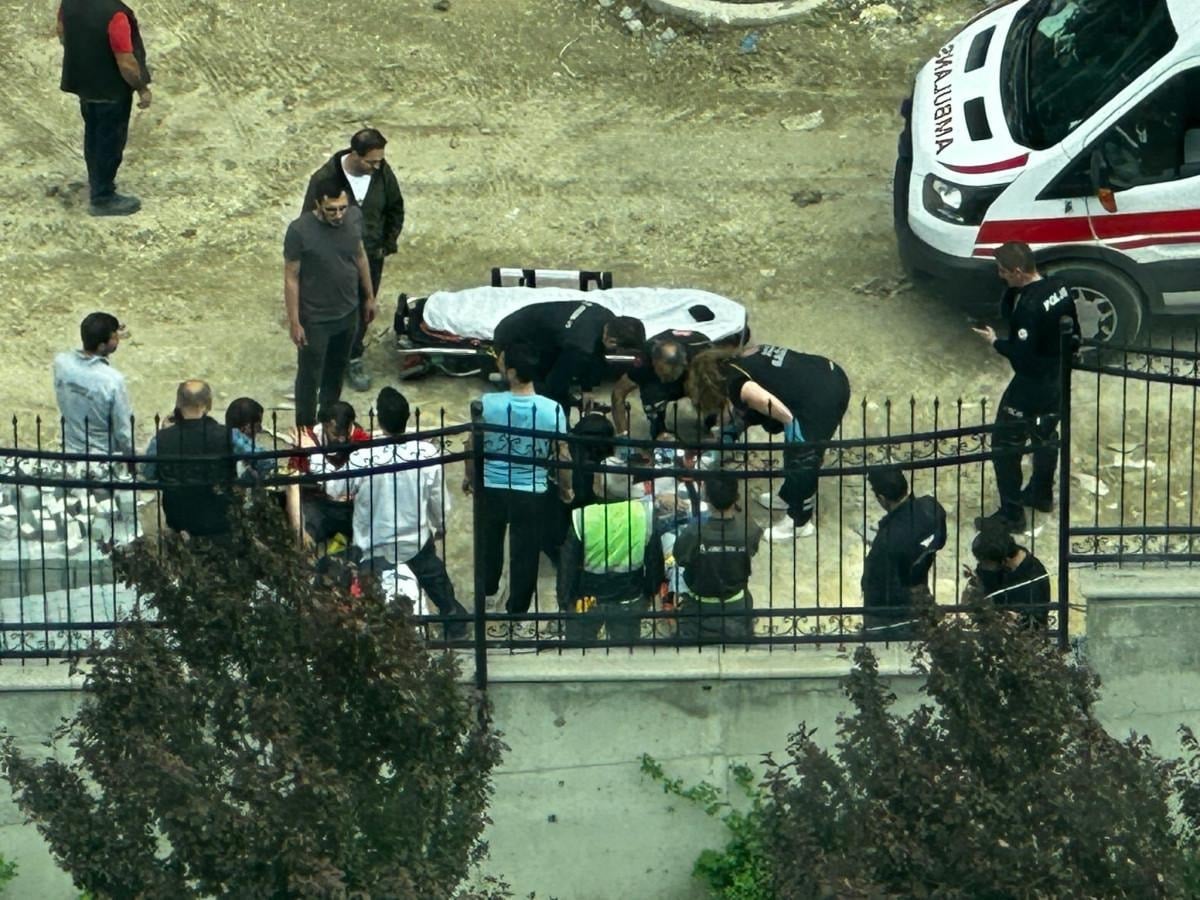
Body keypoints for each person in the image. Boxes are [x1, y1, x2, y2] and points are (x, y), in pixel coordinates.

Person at [688, 345, 851, 542]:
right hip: (823, 372)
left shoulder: (740, 387)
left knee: (803, 459)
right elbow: (747, 413)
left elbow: (784, 415)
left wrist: (799, 446)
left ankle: (799, 521)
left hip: (823, 396)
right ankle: (788, 494)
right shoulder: (737, 361)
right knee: (757, 422)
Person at [973, 241, 1080, 533]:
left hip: (1033, 385)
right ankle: (1041, 494)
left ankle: (1012, 514)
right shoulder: (1059, 286)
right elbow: (1073, 334)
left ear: (1018, 271)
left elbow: (1023, 358)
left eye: (1003, 271)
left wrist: (995, 342)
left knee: (1004, 445)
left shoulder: (1029, 309)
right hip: (1058, 377)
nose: (1000, 276)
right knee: (1045, 434)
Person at [345, 388, 469, 640]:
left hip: (374, 545)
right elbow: (437, 498)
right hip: (414, 540)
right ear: (407, 417)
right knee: (436, 579)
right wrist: (440, 525)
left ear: (379, 420)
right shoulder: (426, 454)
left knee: (371, 595)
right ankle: (453, 620)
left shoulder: (362, 458)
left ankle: (378, 635)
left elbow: (336, 488)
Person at [464, 342, 572, 621]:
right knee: (525, 552)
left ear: (511, 372)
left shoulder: (488, 403)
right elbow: (562, 454)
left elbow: (472, 446)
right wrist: (566, 488)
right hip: (531, 491)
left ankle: (487, 595)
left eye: (502, 361)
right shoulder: (552, 410)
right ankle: (518, 611)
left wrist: (470, 478)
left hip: (492, 486)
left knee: (489, 545)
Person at [302, 128, 405, 392]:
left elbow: (395, 207)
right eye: (371, 162)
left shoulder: (381, 172)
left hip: (370, 257)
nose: (377, 166)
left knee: (363, 309)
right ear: (355, 155)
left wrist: (385, 244)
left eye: (380, 160)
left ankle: (353, 355)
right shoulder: (325, 179)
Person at [284, 178, 378, 428]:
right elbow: (291, 277)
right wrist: (294, 322)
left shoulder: (354, 218)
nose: (338, 215)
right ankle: (305, 426)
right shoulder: (299, 231)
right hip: (316, 319)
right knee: (309, 377)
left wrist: (369, 297)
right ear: (318, 204)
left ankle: (328, 420)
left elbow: (360, 256)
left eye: (342, 208)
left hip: (348, 313)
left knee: (336, 372)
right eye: (331, 210)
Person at [57, 0, 151, 216]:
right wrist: (141, 88)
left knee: (93, 135)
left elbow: (61, 32)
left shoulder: (69, 3)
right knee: (109, 143)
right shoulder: (115, 15)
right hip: (112, 90)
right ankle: (102, 197)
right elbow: (126, 62)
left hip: (85, 84)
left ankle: (96, 182)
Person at [558, 461, 662, 645]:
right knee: (626, 653)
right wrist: (648, 594)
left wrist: (565, 601)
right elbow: (655, 561)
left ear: (599, 485)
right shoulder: (643, 514)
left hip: (588, 598)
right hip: (629, 597)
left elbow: (567, 564)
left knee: (579, 652)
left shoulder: (584, 516)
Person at [492, 300, 645, 409]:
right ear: (611, 341)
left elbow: (595, 355)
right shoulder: (580, 345)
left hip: (535, 328)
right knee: (550, 393)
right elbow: (556, 382)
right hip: (512, 337)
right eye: (619, 351)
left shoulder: (606, 316)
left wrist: (587, 389)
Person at [672, 472, 762, 643]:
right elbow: (752, 550)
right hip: (737, 604)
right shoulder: (750, 529)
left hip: (700, 607)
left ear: (706, 498)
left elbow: (680, 558)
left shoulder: (694, 532)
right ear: (736, 497)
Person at [860, 467, 947, 638]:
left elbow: (875, 584)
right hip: (920, 593)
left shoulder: (886, 541)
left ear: (881, 498)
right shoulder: (932, 509)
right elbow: (936, 540)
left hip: (891, 613)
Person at [143, 381, 236, 541]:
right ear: (208, 404)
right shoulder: (228, 435)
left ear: (178, 404)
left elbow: (148, 473)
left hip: (178, 519)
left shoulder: (161, 439)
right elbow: (263, 461)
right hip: (219, 517)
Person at [286, 401, 370, 546]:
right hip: (318, 504)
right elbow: (292, 484)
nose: (342, 439)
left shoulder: (360, 439)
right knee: (305, 537)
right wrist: (299, 529)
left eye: (345, 433)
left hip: (351, 507)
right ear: (324, 426)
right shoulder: (307, 439)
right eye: (336, 434)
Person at [53, 312, 133, 459]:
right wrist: (130, 458)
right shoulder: (112, 381)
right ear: (102, 346)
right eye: (114, 337)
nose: (117, 339)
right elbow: (123, 431)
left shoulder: (61, 364)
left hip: (68, 452)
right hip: (101, 458)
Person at [962, 523, 1051, 629]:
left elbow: (1038, 620)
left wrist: (1011, 618)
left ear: (1005, 560)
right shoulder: (994, 566)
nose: (981, 565)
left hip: (1022, 634)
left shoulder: (1034, 575)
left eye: (985, 562)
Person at [611, 337, 690, 438]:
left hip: (687, 378)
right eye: (660, 371)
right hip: (655, 385)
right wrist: (623, 434)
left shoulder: (696, 359)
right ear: (654, 362)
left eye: (668, 375)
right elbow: (618, 392)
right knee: (652, 393)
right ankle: (658, 426)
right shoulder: (644, 362)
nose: (663, 379)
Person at [224, 397, 275, 484]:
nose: (260, 430)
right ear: (246, 426)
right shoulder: (237, 440)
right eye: (257, 426)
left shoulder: (227, 435)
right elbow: (267, 461)